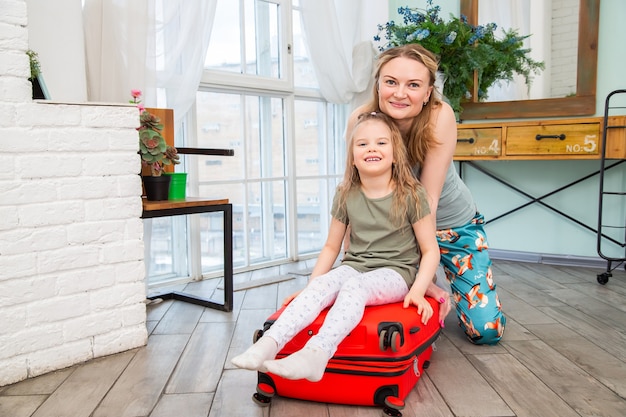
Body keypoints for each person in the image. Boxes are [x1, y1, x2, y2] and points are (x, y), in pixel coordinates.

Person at [231, 111, 441, 382]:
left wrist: (418, 290)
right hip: (355, 266)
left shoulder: (412, 194)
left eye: (381, 143)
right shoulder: (346, 193)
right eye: (362, 144)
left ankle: (317, 354)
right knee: (322, 285)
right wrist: (312, 286)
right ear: (352, 156)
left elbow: (429, 250)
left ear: (395, 153)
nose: (371, 149)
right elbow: (331, 247)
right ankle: (267, 345)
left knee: (355, 287)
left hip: (397, 272)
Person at [347, 44, 505, 345]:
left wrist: (422, 275)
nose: (399, 93)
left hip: (453, 225)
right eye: (391, 81)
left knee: (486, 332)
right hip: (395, 232)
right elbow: (356, 196)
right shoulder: (359, 121)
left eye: (413, 85)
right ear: (378, 83)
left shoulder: (439, 116)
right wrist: (350, 261)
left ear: (429, 91)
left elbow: (427, 200)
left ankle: (468, 297)